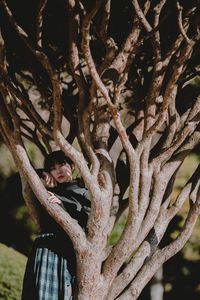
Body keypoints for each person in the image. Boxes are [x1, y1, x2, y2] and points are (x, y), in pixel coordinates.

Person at [21, 150, 90, 300]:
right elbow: (32, 175)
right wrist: (44, 178)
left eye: (62, 165)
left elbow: (89, 220)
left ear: (72, 166)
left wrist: (61, 203)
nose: (58, 170)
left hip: (65, 249)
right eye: (53, 168)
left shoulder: (83, 192)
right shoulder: (48, 190)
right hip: (44, 246)